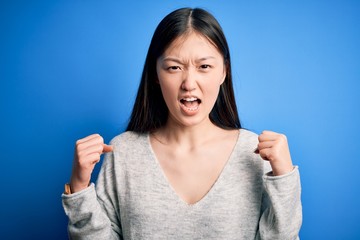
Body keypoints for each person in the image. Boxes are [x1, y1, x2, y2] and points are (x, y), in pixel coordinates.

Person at [62, 7, 302, 239]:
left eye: (204, 66)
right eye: (174, 67)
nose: (189, 82)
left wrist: (284, 178)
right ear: (156, 74)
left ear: (223, 72)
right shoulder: (123, 153)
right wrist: (80, 187)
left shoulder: (255, 154)